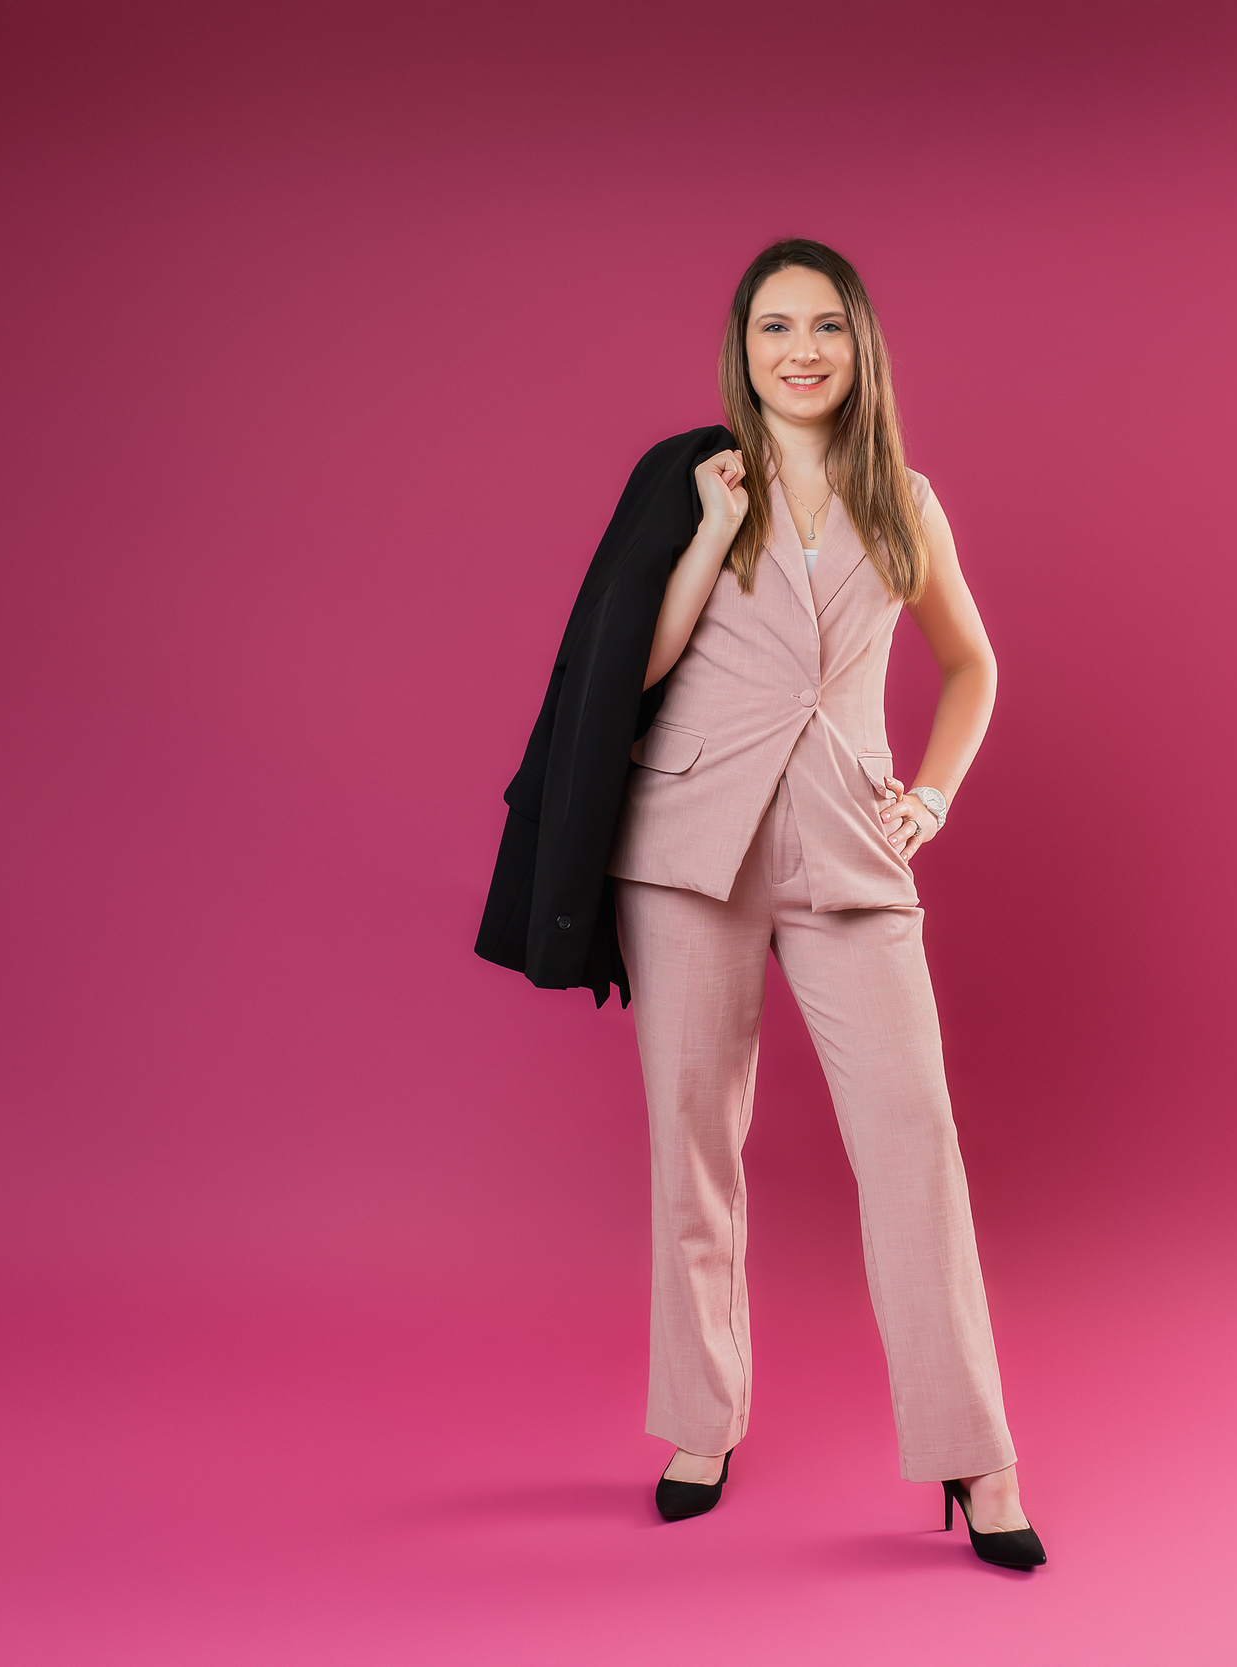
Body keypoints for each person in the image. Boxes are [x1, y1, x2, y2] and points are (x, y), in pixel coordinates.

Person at [491, 237, 1042, 1570]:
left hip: (850, 849)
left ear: (862, 349)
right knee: (694, 1148)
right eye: (775, 327)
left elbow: (969, 664)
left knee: (913, 1146)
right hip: (688, 846)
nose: (801, 350)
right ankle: (700, 1419)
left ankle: (978, 1455)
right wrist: (715, 536)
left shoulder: (906, 502)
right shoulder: (695, 486)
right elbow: (644, 659)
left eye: (826, 328)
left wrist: (934, 793)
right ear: (743, 348)